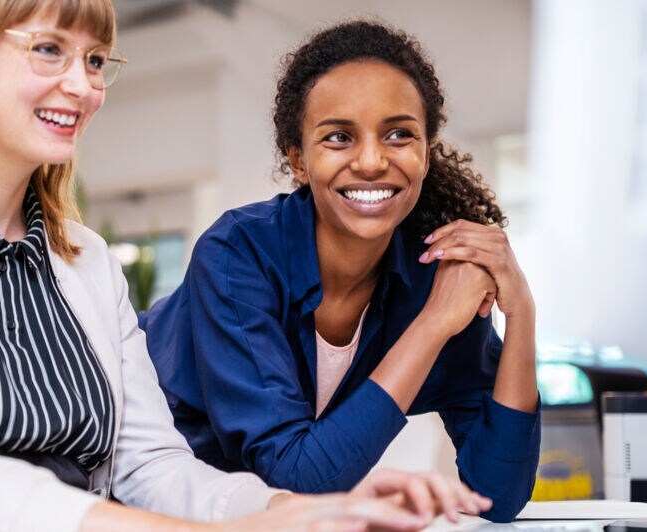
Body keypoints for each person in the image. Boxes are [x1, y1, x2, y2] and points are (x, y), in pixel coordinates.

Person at [0, 2, 491, 530]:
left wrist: (304, 511)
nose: (84, 86)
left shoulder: (85, 264)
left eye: (95, 62)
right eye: (50, 49)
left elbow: (152, 467)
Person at [139, 20, 541, 523]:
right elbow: (298, 476)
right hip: (137, 489)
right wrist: (434, 324)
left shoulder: (430, 274)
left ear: (424, 152)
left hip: (262, 517)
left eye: (399, 134)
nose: (372, 161)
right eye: (339, 137)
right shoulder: (238, 253)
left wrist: (520, 308)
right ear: (299, 161)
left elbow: (498, 493)